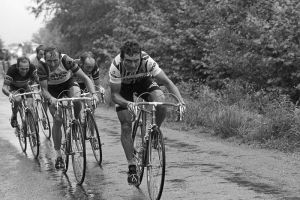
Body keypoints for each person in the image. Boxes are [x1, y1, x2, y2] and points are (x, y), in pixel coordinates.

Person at [109, 40, 185, 185]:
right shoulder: (116, 66)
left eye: (135, 61)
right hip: (123, 88)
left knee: (160, 102)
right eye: (128, 61)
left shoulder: (148, 61)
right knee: (126, 124)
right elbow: (114, 96)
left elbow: (168, 83)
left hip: (143, 81)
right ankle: (132, 166)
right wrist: (128, 103)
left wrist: (181, 102)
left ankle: (154, 132)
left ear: (140, 58)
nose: (132, 65)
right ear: (122, 58)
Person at [37, 47, 99, 169]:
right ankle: (59, 155)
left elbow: (86, 78)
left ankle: (76, 122)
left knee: (76, 99)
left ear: (60, 57)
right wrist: (50, 99)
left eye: (55, 60)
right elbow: (43, 90)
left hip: (68, 83)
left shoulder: (67, 60)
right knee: (58, 119)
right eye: (49, 61)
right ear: (45, 59)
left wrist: (94, 94)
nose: (53, 64)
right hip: (51, 90)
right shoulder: (42, 66)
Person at [2, 56, 39, 128]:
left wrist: (40, 90)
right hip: (14, 88)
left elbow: (38, 80)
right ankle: (14, 116)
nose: (24, 71)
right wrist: (9, 94)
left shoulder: (32, 67)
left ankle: (32, 128)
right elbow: (4, 87)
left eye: (26, 69)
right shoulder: (11, 70)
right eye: (22, 69)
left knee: (30, 106)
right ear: (17, 67)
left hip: (25, 86)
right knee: (17, 99)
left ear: (29, 66)